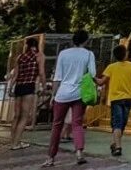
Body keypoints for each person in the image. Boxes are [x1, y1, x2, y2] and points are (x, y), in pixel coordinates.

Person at [45, 30, 95, 167]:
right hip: (79, 94)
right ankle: (79, 152)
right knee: (77, 124)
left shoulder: (63, 54)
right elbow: (92, 73)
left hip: (62, 94)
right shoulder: (89, 54)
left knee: (56, 125)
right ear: (86, 41)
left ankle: (51, 157)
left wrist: (53, 96)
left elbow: (57, 77)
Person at [9, 37, 46, 151]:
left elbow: (15, 74)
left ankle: (14, 141)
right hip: (29, 86)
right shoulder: (39, 56)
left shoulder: (20, 57)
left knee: (16, 116)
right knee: (25, 116)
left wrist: (10, 87)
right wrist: (43, 86)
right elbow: (41, 72)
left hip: (19, 86)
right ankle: (16, 143)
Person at [101, 44, 131, 157]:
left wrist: (92, 78)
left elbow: (102, 83)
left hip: (116, 99)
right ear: (125, 54)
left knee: (118, 123)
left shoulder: (111, 67)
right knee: (122, 123)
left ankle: (115, 144)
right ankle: (117, 146)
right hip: (128, 98)